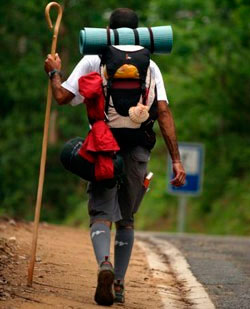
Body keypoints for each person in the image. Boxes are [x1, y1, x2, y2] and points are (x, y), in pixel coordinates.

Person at [44, 8, 186, 306]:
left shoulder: (94, 59)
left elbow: (62, 98)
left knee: (100, 213)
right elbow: (163, 112)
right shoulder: (151, 66)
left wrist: (54, 71)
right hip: (139, 148)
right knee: (127, 219)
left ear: (109, 31)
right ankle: (119, 283)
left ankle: (104, 264)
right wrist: (176, 159)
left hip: (103, 147)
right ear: (138, 32)